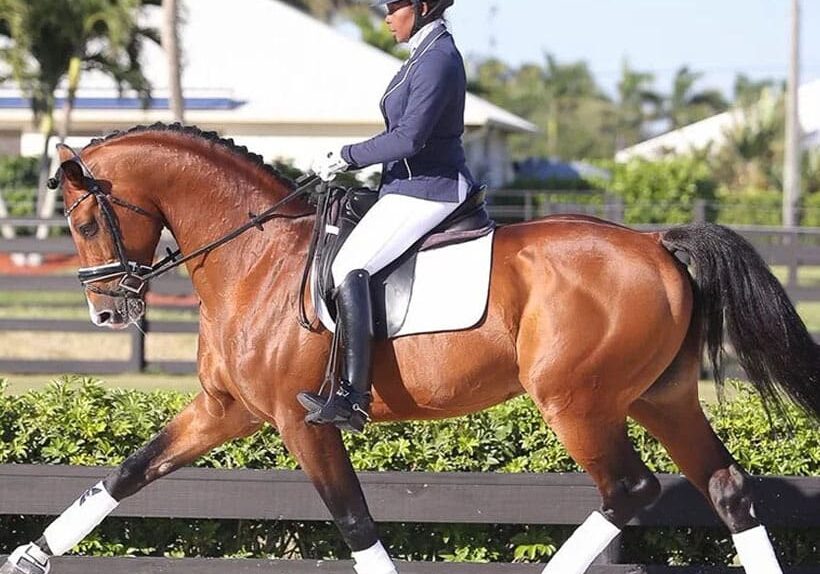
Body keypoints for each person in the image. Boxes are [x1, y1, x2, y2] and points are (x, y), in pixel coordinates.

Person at [297, 0, 477, 432]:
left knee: (348, 266)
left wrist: (347, 156)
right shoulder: (422, 55)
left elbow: (410, 138)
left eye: (394, 7)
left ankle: (353, 398)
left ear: (422, 7)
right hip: (403, 187)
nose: (387, 17)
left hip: (429, 189)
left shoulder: (438, 59)